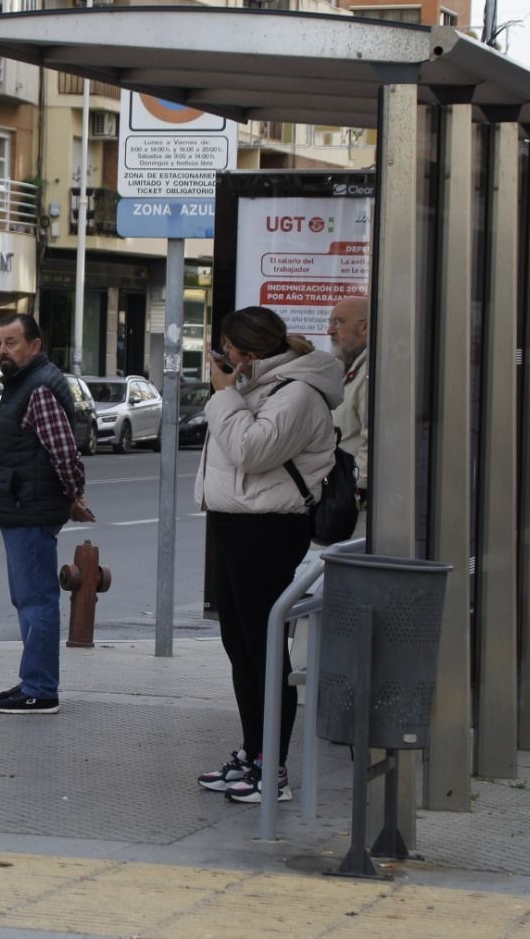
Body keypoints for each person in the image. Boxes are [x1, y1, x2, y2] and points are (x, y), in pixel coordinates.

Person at [193, 306, 343, 804]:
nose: (223, 356)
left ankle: (270, 767)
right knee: (240, 646)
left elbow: (253, 452)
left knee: (264, 650)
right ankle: (252, 750)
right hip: (235, 523)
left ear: (250, 351)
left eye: (228, 349)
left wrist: (223, 396)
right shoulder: (257, 384)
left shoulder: (297, 392)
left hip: (269, 529)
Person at [0, 314, 95, 715]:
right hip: (20, 506)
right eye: (0, 343)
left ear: (35, 344)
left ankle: (41, 689)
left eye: (12, 342)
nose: (4, 351)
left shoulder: (40, 388)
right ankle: (33, 679)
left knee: (36, 599)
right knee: (27, 599)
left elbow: (64, 452)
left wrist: (74, 493)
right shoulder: (24, 384)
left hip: (29, 507)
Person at [326, 296, 370, 503]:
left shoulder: (372, 373)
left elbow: (373, 443)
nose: (330, 331)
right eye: (330, 322)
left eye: (338, 322)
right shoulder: (342, 369)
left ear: (364, 328)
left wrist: (353, 489)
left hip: (358, 503)